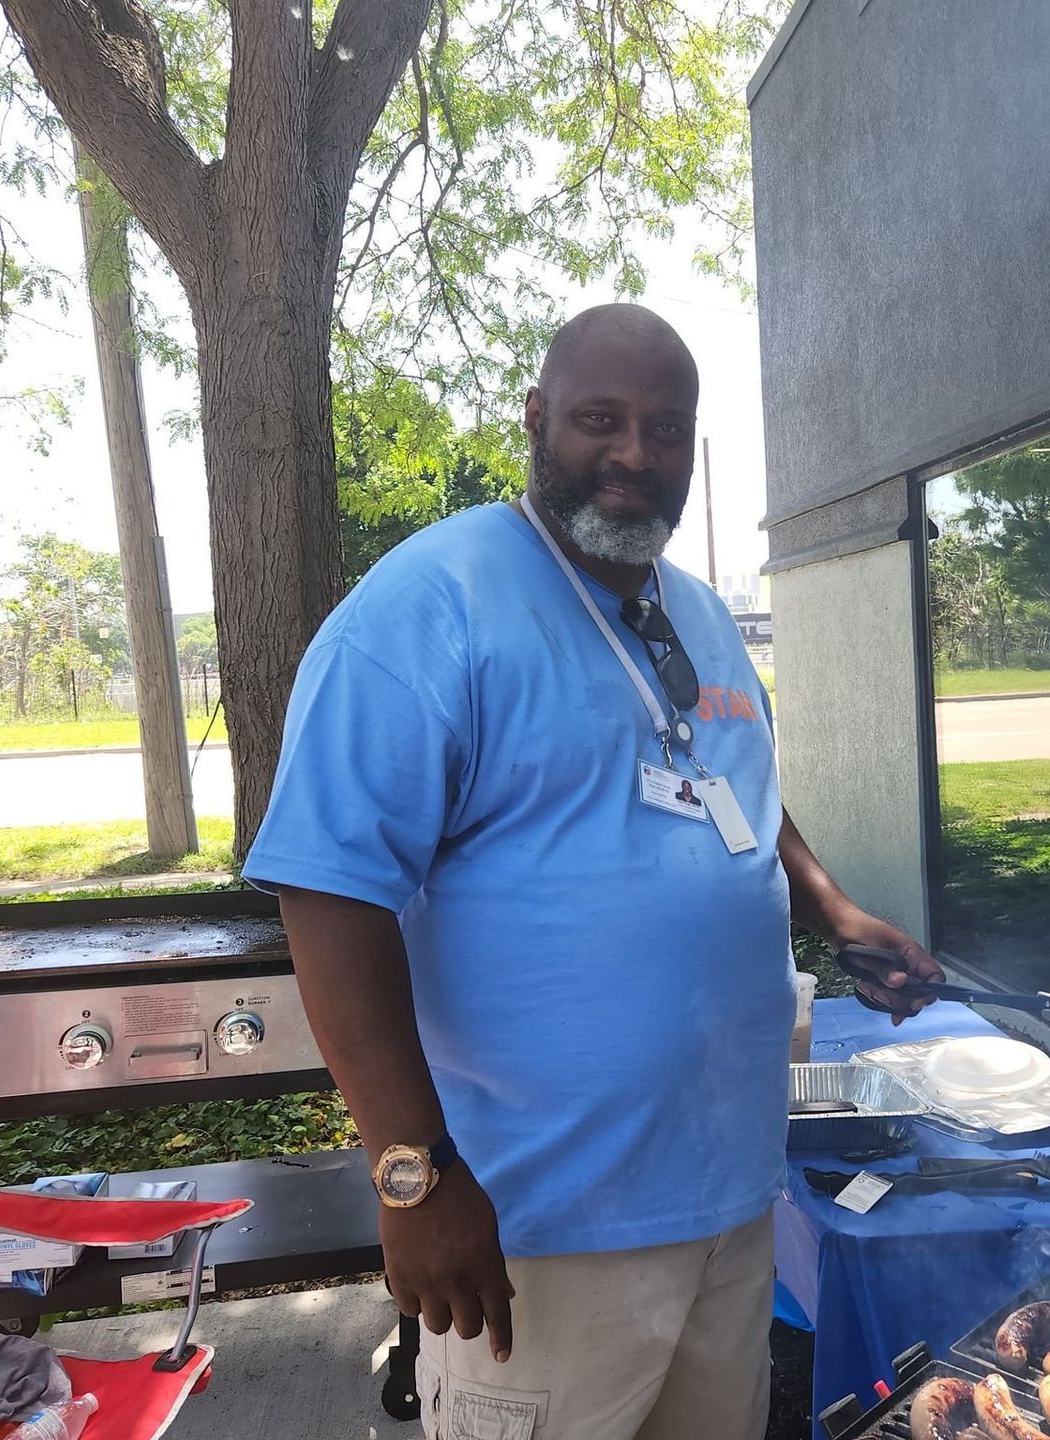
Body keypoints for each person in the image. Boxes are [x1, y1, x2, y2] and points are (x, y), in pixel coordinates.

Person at [243, 303, 940, 1440]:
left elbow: (739, 785)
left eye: (664, 430)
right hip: (535, 1228)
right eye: (600, 420)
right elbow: (329, 894)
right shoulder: (429, 607)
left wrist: (830, 905)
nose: (632, 454)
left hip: (726, 1198)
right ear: (536, 421)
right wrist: (413, 1173)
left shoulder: (699, 613)